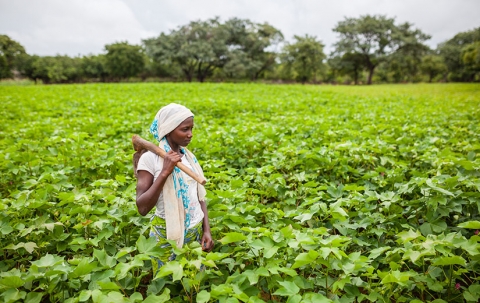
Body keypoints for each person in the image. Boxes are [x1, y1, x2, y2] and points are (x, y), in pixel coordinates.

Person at [135, 103, 214, 276]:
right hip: (166, 235)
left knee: (192, 285)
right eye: (185, 129)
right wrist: (165, 172)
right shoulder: (150, 160)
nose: (190, 134)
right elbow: (142, 208)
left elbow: (199, 197)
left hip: (194, 232)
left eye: (192, 128)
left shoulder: (189, 158)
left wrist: (206, 230)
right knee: (165, 286)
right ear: (169, 129)